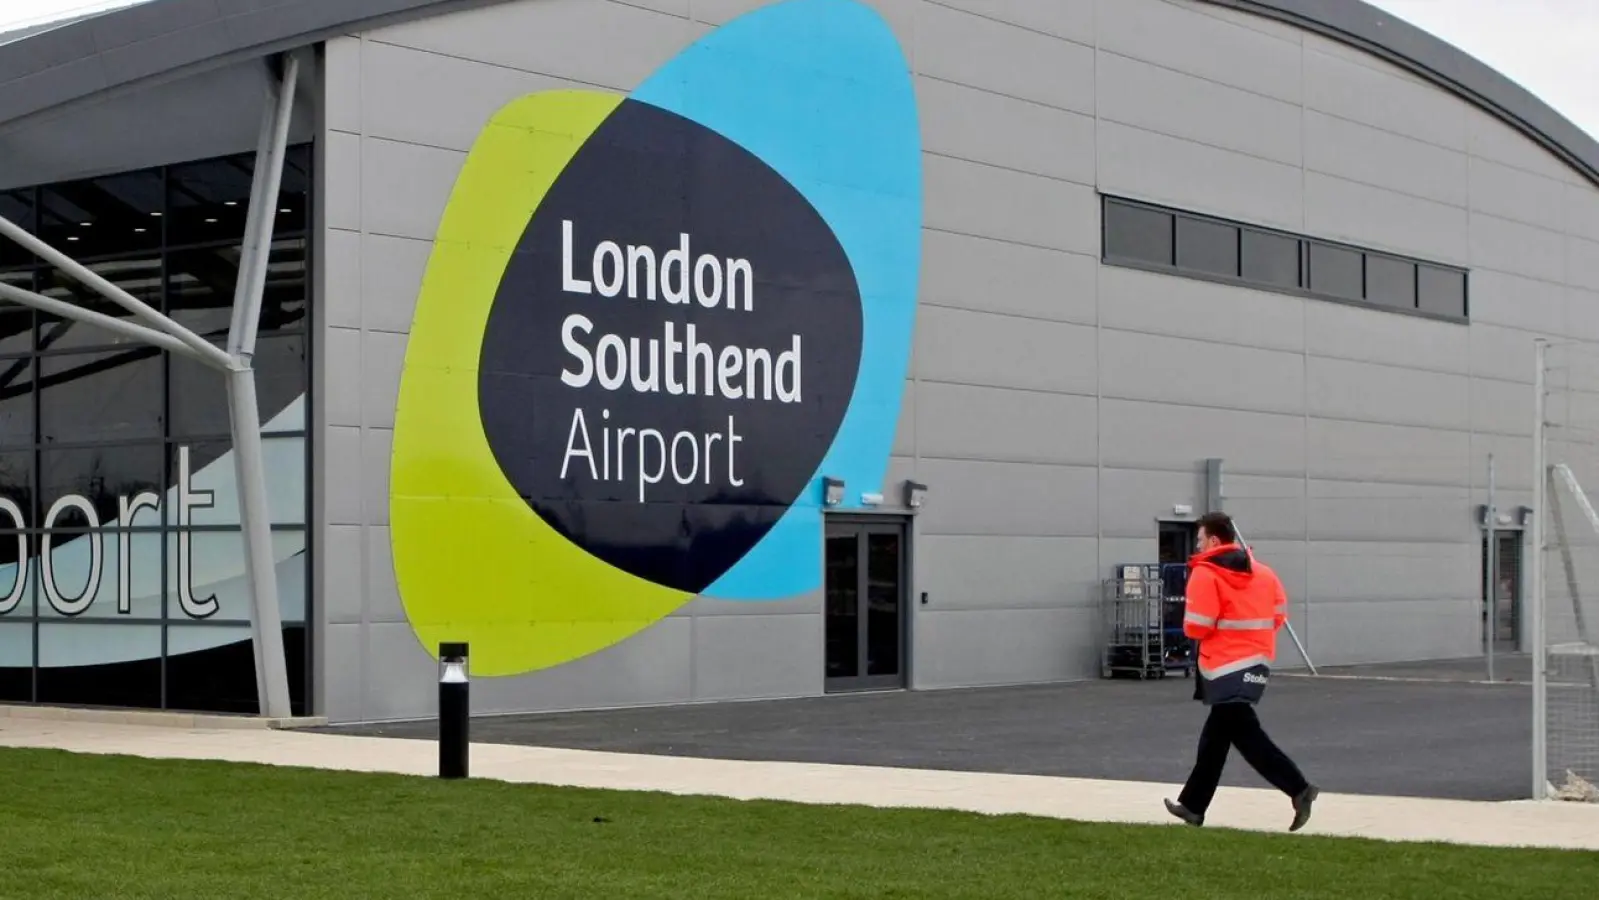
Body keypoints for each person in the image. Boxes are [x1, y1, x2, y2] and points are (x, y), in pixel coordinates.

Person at [1164, 512, 1319, 831]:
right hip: (1257, 662)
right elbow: (1278, 615)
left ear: (1214, 541)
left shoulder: (1206, 574)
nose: (1197, 544)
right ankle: (1193, 806)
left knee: (1244, 734)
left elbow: (1196, 627)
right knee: (1217, 735)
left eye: (1200, 539)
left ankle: (1299, 789)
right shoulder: (1264, 573)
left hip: (1222, 666)